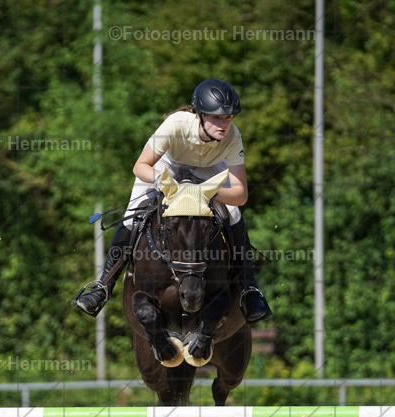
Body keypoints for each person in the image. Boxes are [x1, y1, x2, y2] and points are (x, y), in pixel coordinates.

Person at [72, 78, 271, 323]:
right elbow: (140, 166)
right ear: (199, 115)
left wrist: (201, 192)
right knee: (134, 211)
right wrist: (164, 183)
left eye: (229, 117)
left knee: (233, 212)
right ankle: (102, 286)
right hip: (166, 167)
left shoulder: (233, 137)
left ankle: (250, 289)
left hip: (207, 172)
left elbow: (240, 194)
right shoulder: (175, 125)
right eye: (217, 117)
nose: (224, 124)